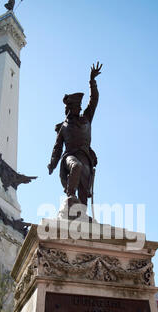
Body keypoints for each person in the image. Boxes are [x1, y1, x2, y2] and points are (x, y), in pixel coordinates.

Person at [48, 63, 103, 210]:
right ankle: (71, 195)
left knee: (84, 192)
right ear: (70, 109)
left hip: (86, 157)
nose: (79, 109)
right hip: (70, 156)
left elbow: (94, 101)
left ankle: (82, 214)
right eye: (76, 107)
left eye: (79, 107)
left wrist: (92, 82)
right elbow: (57, 148)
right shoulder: (64, 127)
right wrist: (52, 164)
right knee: (76, 167)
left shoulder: (86, 119)